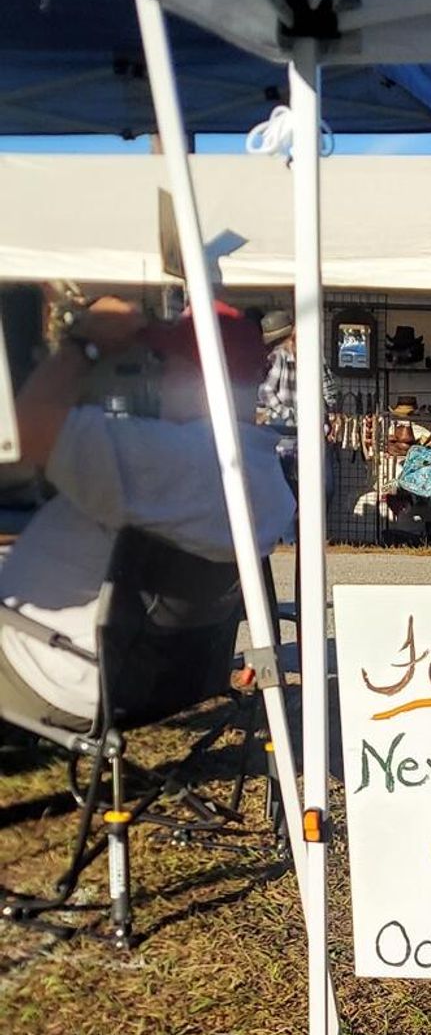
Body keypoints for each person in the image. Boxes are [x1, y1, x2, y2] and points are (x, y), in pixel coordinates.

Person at [0, 297, 295, 725]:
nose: (152, 375)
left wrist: (84, 344)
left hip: (54, 667)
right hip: (162, 678)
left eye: (162, 363)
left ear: (195, 378)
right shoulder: (265, 475)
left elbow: (24, 428)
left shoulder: (164, 457)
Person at [257, 306, 337, 509]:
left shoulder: (286, 356)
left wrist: (286, 413)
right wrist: (294, 414)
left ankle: (295, 535)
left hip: (296, 433)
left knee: (304, 489)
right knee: (313, 488)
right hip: (297, 433)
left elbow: (265, 392)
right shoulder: (286, 357)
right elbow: (266, 392)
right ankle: (298, 534)